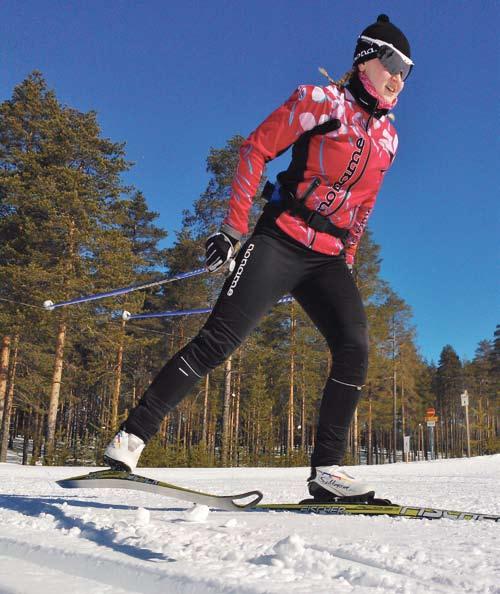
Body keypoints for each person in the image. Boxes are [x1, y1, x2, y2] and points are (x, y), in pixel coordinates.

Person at [104, 14, 413, 501]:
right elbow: (255, 148)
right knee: (219, 341)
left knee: (355, 348)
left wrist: (348, 258)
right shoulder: (319, 102)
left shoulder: (389, 139)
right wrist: (232, 227)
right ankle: (130, 438)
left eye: (408, 71)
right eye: (393, 63)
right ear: (365, 61)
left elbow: (364, 204)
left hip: (328, 258)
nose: (400, 77)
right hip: (280, 240)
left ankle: (326, 471)